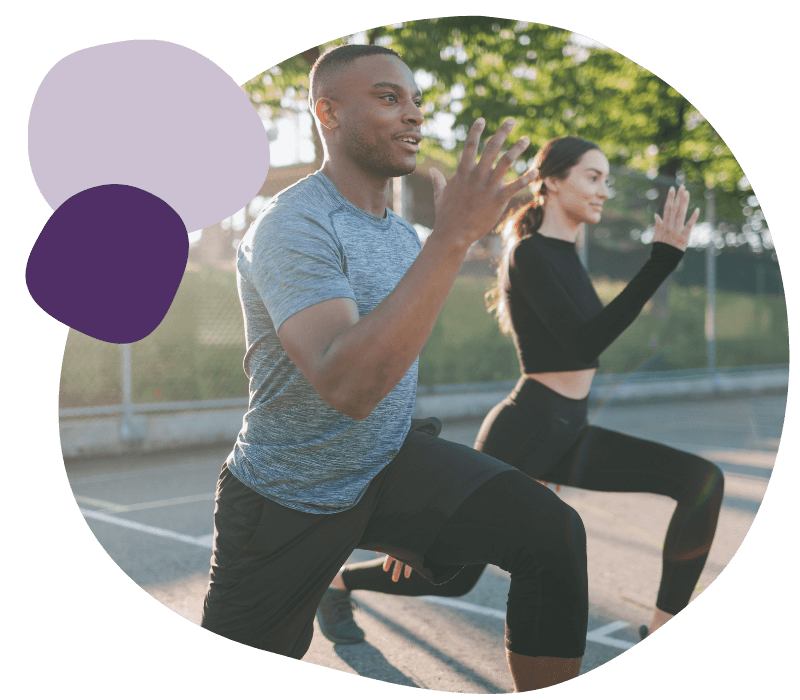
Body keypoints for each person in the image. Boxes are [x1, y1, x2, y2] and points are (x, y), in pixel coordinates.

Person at [200, 44, 589, 692]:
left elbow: (395, 369)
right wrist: (452, 237)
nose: (413, 115)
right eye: (388, 97)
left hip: (386, 466)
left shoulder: (401, 235)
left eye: (416, 101)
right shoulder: (292, 225)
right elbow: (347, 386)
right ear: (328, 112)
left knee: (551, 533)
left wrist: (414, 508)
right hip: (287, 499)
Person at [324, 136, 725, 645]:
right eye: (593, 177)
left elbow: (584, 342)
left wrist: (660, 262)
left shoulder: (565, 254)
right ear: (553, 181)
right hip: (527, 429)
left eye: (607, 179)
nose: (604, 190)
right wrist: (660, 262)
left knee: (699, 481)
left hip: (568, 429)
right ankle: (337, 580)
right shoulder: (530, 254)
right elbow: (585, 342)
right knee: (456, 573)